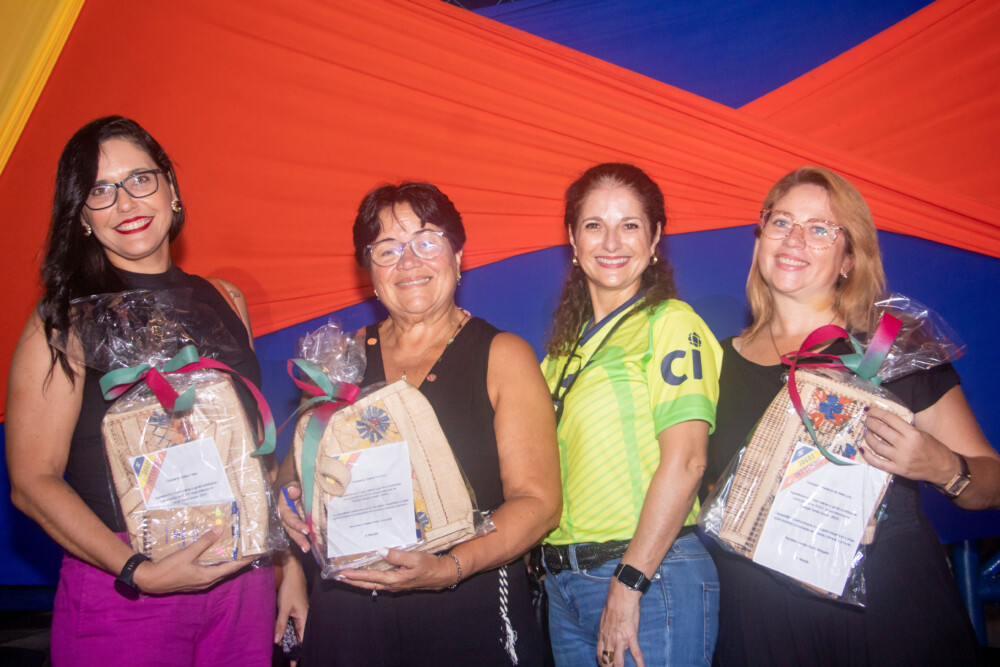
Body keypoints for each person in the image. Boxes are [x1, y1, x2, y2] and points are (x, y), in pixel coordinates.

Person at [5, 116, 306, 666]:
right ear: (82, 217)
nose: (126, 203)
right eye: (100, 190)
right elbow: (32, 480)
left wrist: (287, 568)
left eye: (140, 179)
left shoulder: (226, 299)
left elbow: (252, 453)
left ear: (170, 187)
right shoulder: (63, 320)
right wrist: (137, 571)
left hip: (243, 577)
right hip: (124, 588)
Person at [703, 166, 1000, 666]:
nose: (794, 238)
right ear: (760, 237)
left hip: (889, 616)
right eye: (781, 221)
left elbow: (991, 481)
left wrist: (943, 467)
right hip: (760, 624)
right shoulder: (714, 364)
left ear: (848, 259)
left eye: (820, 228)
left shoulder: (891, 345)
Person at [276, 181, 562, 666]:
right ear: (369, 271)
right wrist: (288, 500)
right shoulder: (339, 360)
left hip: (464, 607)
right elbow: (292, 472)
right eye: (387, 249)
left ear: (458, 255)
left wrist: (450, 567)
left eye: (427, 242)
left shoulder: (501, 355)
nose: (408, 262)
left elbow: (539, 504)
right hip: (351, 616)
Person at [539, 163, 722, 667]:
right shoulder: (559, 356)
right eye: (594, 225)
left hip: (649, 578)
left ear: (655, 237)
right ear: (572, 239)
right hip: (565, 586)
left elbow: (688, 462)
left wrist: (629, 580)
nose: (611, 242)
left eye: (630, 225)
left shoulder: (672, 323)